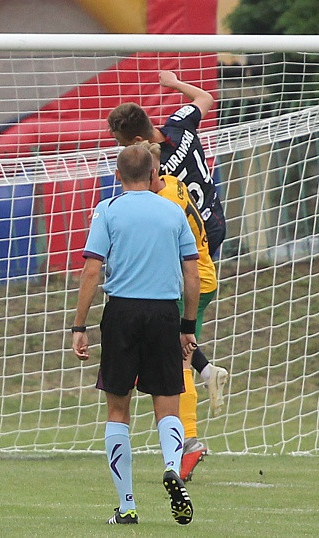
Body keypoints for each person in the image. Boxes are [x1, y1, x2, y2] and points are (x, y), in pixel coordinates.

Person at [71, 145, 200, 526]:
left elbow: (92, 270)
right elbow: (191, 275)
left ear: (117, 173)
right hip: (163, 312)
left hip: (122, 311)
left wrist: (79, 326)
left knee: (117, 409)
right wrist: (187, 325)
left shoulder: (108, 210)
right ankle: (173, 468)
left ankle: (127, 505)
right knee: (168, 402)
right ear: (152, 171)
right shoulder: (172, 211)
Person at [107, 70, 228, 414]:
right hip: (213, 225)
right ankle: (206, 370)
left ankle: (186, 426)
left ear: (132, 143)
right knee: (172, 321)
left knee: (169, 327)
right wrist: (175, 84)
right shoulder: (180, 126)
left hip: (186, 239)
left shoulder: (155, 175)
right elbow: (205, 98)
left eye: (119, 144)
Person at [139, 140, 229, 482]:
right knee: (178, 356)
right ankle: (207, 374)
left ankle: (189, 442)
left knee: (178, 361)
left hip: (191, 283)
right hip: (200, 276)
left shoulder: (163, 203)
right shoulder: (173, 183)